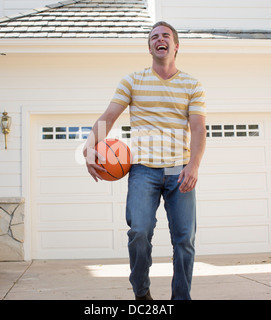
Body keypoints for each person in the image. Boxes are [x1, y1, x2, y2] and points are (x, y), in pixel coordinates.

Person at [83, 21, 207, 300]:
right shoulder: (132, 81)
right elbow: (108, 118)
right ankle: (142, 294)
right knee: (139, 232)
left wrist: (194, 165)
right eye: (154, 37)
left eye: (165, 36)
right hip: (142, 170)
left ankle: (181, 298)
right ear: (149, 46)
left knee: (185, 240)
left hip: (180, 170)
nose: (159, 39)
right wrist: (88, 148)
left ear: (176, 46)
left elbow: (199, 128)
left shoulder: (192, 85)